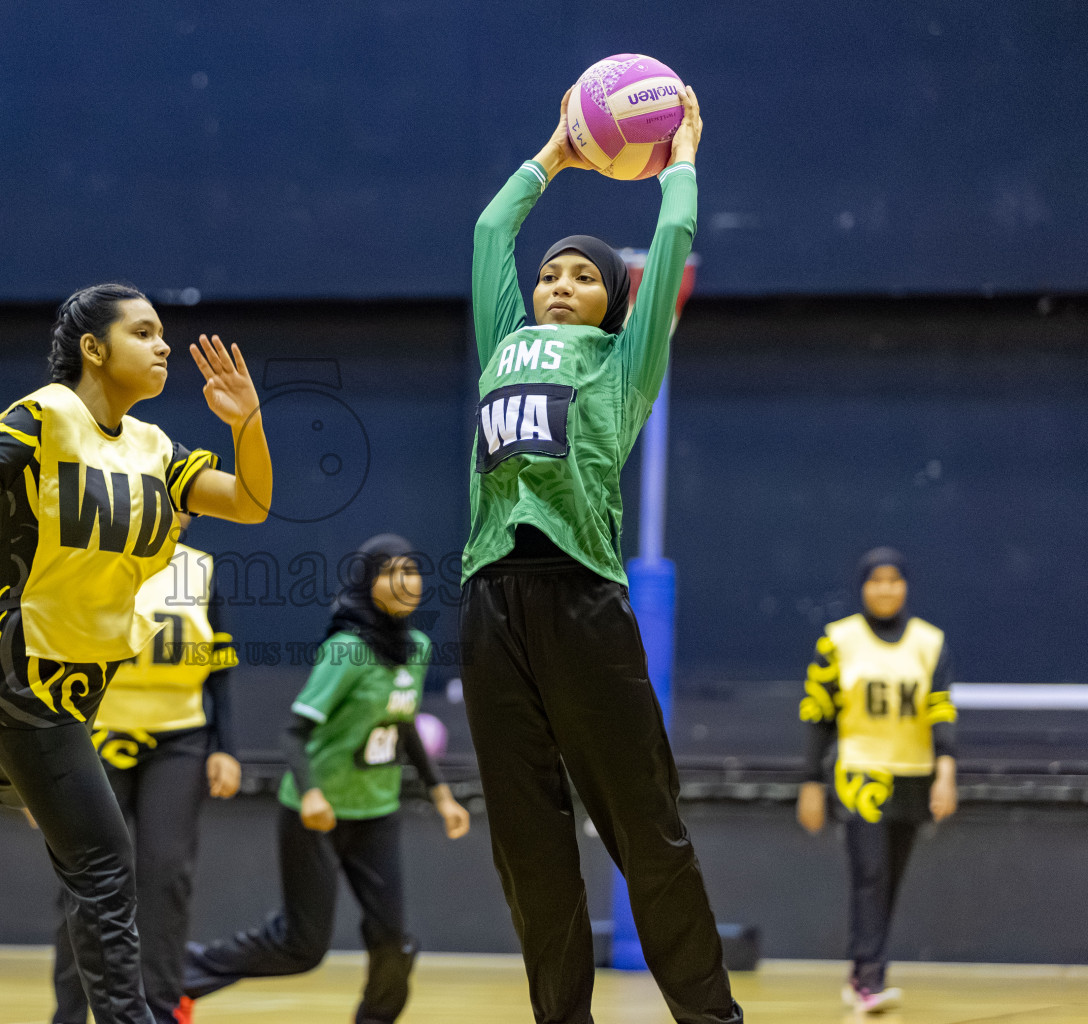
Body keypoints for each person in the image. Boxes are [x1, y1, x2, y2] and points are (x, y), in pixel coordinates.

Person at [0, 283, 272, 1024]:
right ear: (94, 350)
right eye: (144, 332)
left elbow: (251, 502)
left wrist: (249, 424)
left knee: (5, 780)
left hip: (83, 686)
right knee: (104, 864)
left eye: (163, 332)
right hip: (25, 671)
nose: (164, 344)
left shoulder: (157, 449)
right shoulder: (47, 417)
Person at [457, 86, 744, 1024]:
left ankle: (711, 1016)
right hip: (490, 605)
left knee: (644, 834)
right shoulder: (506, 340)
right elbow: (489, 228)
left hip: (583, 600)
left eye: (580, 278)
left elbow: (663, 257)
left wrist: (682, 167)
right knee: (527, 847)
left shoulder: (622, 364)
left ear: (610, 306)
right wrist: (554, 152)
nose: (556, 286)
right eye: (550, 276)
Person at [182, 534, 471, 1024]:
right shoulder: (346, 651)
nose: (407, 581)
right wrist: (312, 794)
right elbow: (294, 733)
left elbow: (404, 725)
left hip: (376, 812)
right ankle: (182, 975)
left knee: (395, 943)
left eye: (413, 569)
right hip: (316, 814)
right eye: (391, 572)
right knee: (301, 947)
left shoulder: (416, 649)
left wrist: (442, 795)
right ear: (367, 584)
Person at [52, 517, 243, 1024]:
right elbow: (53, 655)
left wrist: (225, 746)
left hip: (180, 739)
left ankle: (160, 1009)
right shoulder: (89, 561)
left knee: (166, 876)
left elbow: (217, 661)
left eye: (185, 506)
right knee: (87, 878)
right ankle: (70, 1013)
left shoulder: (199, 568)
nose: (178, 516)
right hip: (96, 738)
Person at [796, 547, 958, 1014]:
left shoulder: (930, 643)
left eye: (893, 580)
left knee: (890, 880)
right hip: (859, 774)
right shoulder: (838, 640)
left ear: (905, 586)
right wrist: (810, 781)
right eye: (875, 580)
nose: (885, 589)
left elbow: (941, 714)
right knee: (870, 875)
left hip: (912, 775)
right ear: (863, 587)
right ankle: (871, 977)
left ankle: (861, 970)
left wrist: (945, 774)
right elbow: (818, 715)